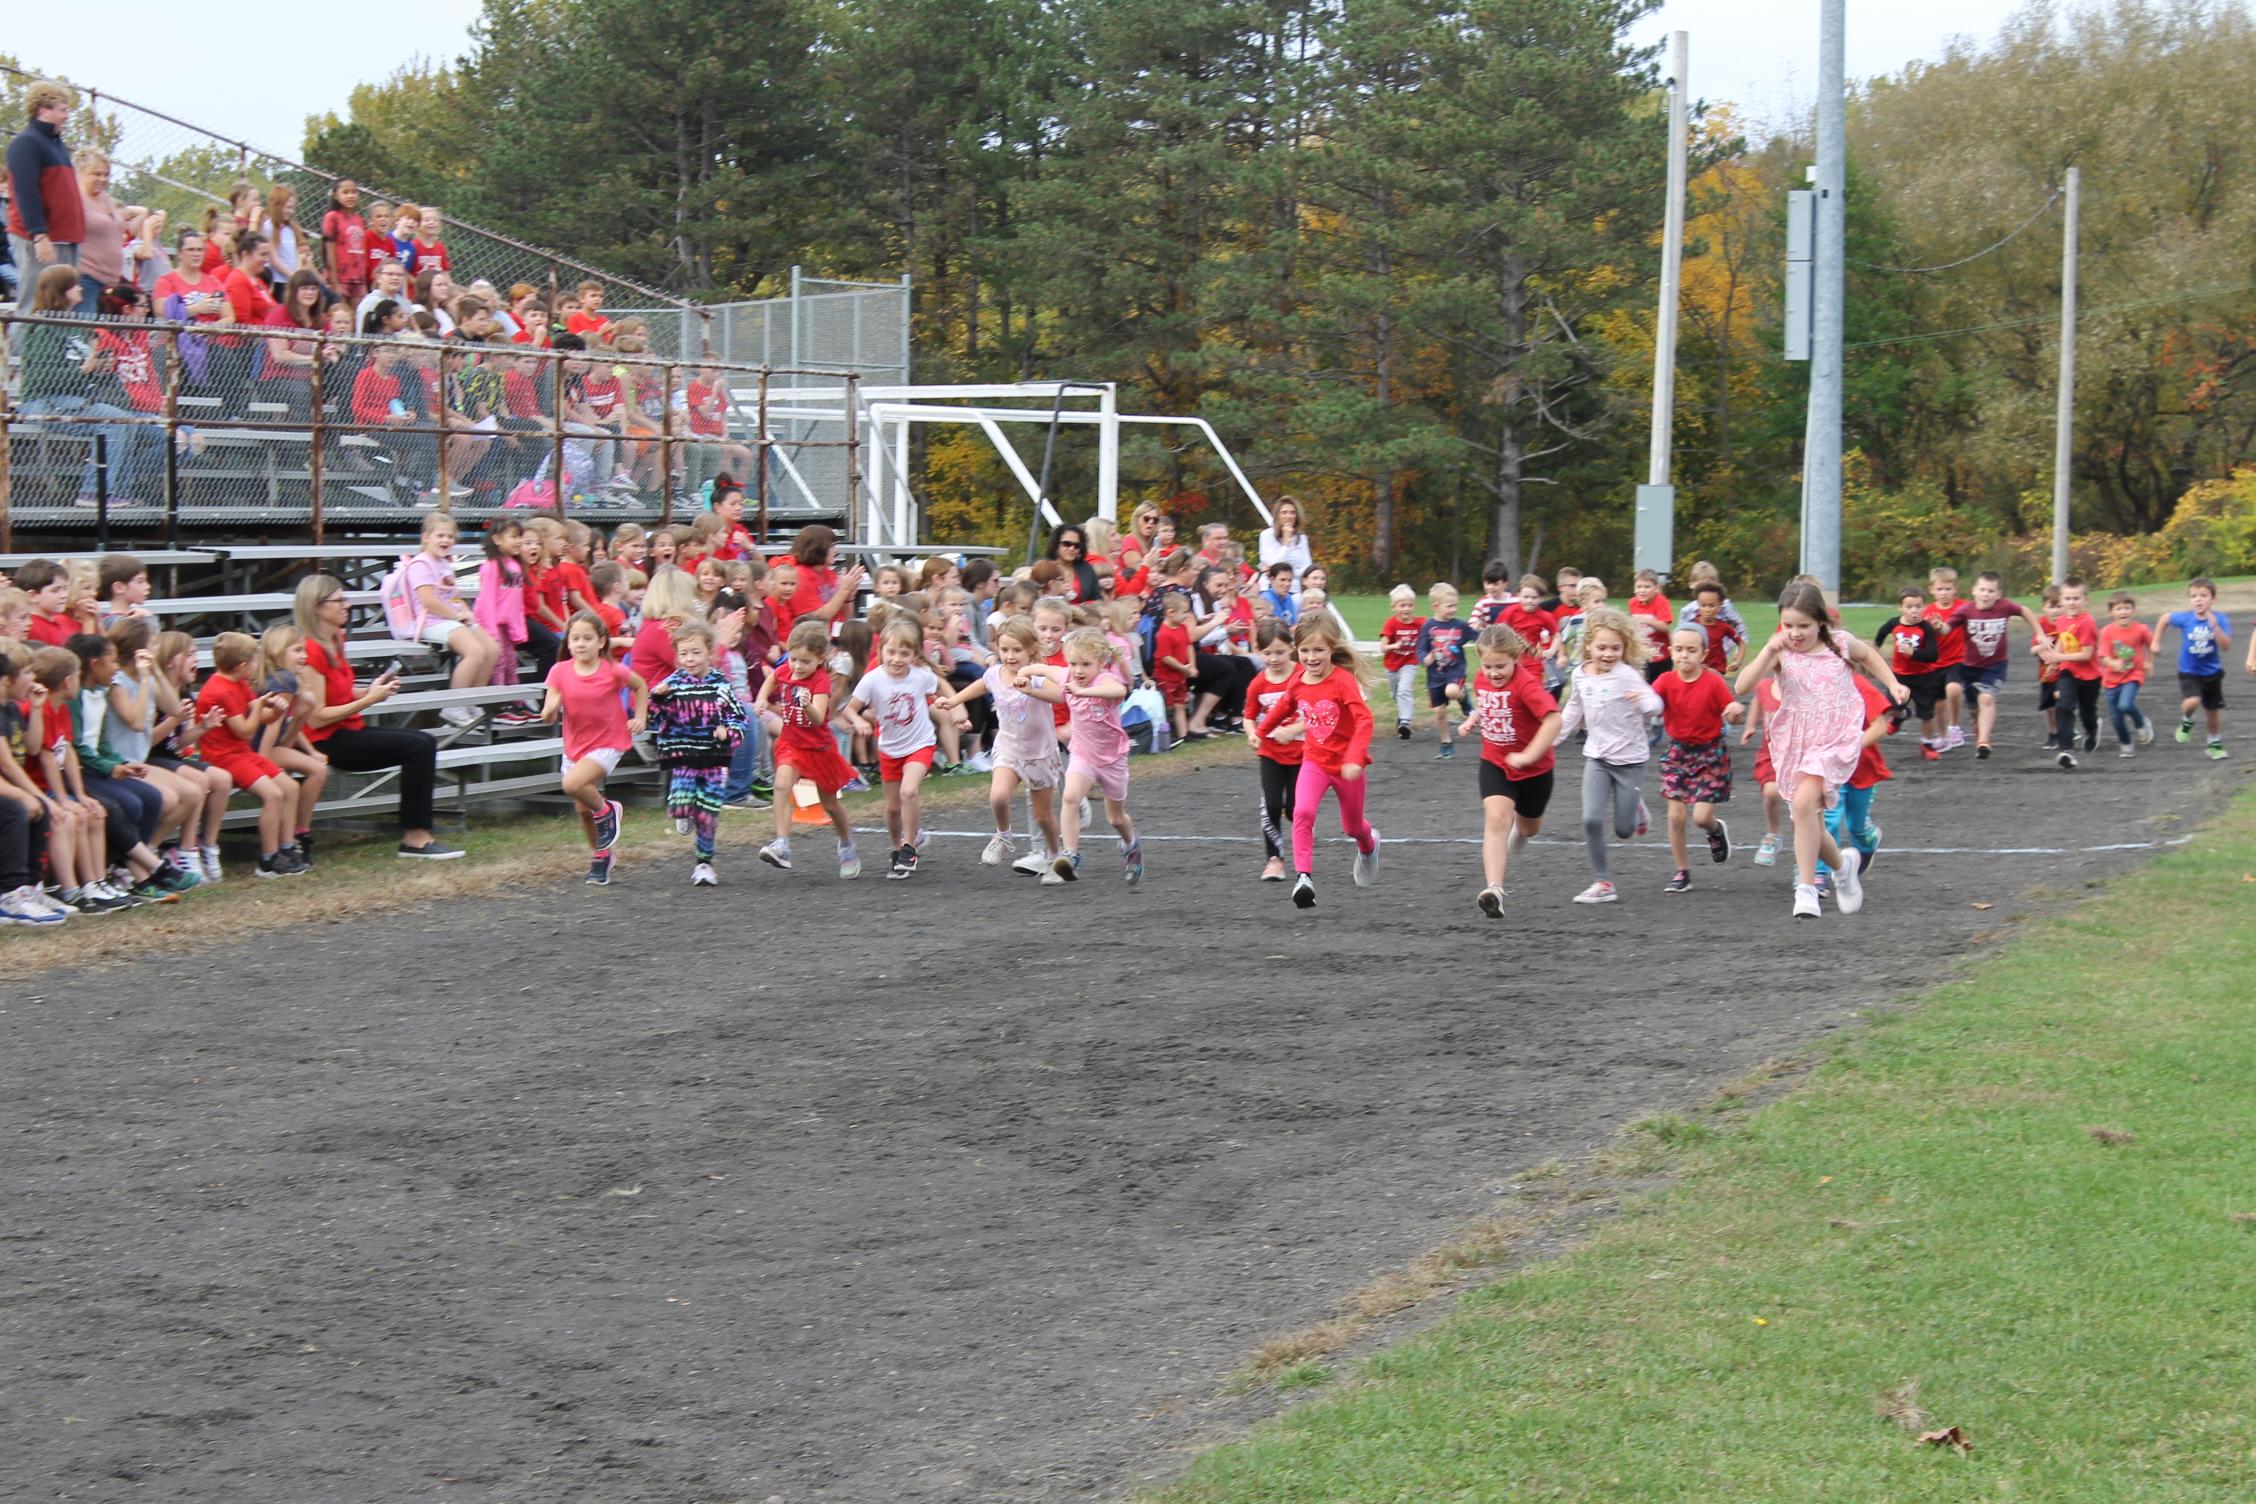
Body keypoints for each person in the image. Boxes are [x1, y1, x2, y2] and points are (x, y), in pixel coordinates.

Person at [1735, 581, 1909, 919]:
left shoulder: (1840, 644)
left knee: (1802, 806)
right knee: (1809, 818)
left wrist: (1892, 683)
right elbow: (1741, 686)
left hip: (1834, 740)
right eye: (1788, 626)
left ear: (1821, 623)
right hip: (1794, 743)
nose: (1795, 633)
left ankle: (1806, 889)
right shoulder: (1781, 653)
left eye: (1804, 626)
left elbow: (1869, 655)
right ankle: (1843, 867)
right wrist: (1769, 651)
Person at [293, 575, 462, 859]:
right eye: (339, 601)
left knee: (422, 742)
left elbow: (339, 692)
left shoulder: (334, 639)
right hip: (324, 740)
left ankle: (417, 836)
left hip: (344, 731)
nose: (346, 606)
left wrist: (369, 690)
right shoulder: (311, 649)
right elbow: (317, 718)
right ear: (317, 607)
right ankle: (416, 838)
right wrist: (371, 699)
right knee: (419, 745)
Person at [15, 266, 163, 508]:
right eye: (74, 285)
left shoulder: (74, 324)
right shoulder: (41, 326)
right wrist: (87, 367)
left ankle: (117, 492)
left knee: (126, 420)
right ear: (61, 291)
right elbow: (44, 378)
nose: (81, 288)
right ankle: (92, 492)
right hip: (44, 402)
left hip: (74, 400)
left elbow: (85, 368)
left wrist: (101, 366)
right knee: (115, 421)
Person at [1254, 615, 1376, 909]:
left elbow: (1364, 720)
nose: (1311, 657)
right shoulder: (1298, 680)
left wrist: (1353, 758)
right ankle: (1303, 878)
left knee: (1353, 827)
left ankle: (1369, 845)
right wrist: (1262, 731)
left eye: (1319, 650)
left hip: (1346, 768)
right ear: (1297, 651)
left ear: (1332, 649)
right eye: (1305, 651)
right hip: (1315, 761)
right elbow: (1284, 706)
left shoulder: (1343, 682)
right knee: (1302, 811)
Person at [937, 616, 1064, 878]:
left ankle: (1056, 858)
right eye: (1004, 649)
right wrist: (953, 702)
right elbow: (981, 685)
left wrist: (1031, 689)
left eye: (1016, 650)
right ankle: (1004, 836)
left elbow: (1059, 695)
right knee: (998, 796)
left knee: (1043, 817)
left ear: (1030, 649)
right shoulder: (995, 673)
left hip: (1039, 754)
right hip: (1009, 749)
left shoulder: (1037, 674)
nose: (1009, 656)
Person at [1019, 627, 1143, 885]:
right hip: (1083, 753)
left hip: (1112, 759)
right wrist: (1026, 681)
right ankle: (1070, 854)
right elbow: (1044, 675)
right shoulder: (1068, 676)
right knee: (1070, 796)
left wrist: (1084, 691)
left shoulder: (1104, 681)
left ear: (1101, 663)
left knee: (1115, 818)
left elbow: (1118, 690)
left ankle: (1131, 844)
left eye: (1086, 664)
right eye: (1073, 663)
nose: (1078, 670)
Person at [1555, 608, 1663, 906]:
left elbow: (1656, 704)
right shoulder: (1579, 675)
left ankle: (1637, 809)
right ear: (1588, 645)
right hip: (1597, 759)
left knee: (1624, 830)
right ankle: (1603, 882)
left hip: (1630, 762)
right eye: (1602, 647)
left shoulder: (1627, 676)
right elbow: (1572, 712)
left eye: (1615, 648)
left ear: (1624, 648)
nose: (1608, 654)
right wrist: (1551, 740)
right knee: (1590, 819)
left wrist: (1644, 702)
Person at [1455, 622, 1561, 918]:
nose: (1493, 673)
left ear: (1515, 658)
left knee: (1529, 828)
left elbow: (1554, 720)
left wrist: (1529, 755)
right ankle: (1494, 890)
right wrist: (1471, 720)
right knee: (1495, 819)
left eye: (1500, 666)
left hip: (1535, 769)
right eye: (1487, 666)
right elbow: (1486, 705)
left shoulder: (1527, 685)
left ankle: (1521, 830)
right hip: (1495, 763)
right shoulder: (1481, 678)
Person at [539, 610, 649, 886]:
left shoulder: (612, 669)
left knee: (572, 784)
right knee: (582, 810)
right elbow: (548, 714)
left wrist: (640, 716)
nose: (580, 643)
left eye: (587, 638)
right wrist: (550, 710)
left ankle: (608, 809)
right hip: (575, 745)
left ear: (601, 642)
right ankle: (601, 855)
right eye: (574, 638)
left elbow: (640, 686)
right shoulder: (559, 671)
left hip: (609, 741)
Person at [193, 632, 305, 878]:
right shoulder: (219, 690)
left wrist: (275, 711)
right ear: (243, 665)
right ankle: (268, 858)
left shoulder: (240, 684)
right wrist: (259, 709)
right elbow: (245, 730)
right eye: (254, 661)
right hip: (223, 756)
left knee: (290, 787)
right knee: (273, 795)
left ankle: (287, 847)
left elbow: (262, 717)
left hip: (241, 753)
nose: (257, 667)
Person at [756, 619, 862, 878]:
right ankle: (782, 844)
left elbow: (819, 717)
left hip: (818, 748)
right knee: (781, 785)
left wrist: (807, 706)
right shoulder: (785, 671)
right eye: (793, 659)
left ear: (820, 659)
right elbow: (772, 679)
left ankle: (846, 843)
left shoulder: (820, 681)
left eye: (805, 661)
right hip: (792, 743)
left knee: (830, 805)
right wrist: (760, 699)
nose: (798, 666)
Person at [648, 620, 747, 887]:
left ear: (709, 652)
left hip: (713, 758)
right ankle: (683, 813)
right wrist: (658, 699)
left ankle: (704, 864)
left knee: (707, 813)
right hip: (683, 756)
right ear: (676, 655)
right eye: (684, 653)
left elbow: (738, 717)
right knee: (681, 805)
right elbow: (654, 715)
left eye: (695, 652)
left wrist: (727, 730)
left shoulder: (720, 685)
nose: (690, 659)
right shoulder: (672, 684)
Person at [846, 620, 944, 879]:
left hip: (920, 744)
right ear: (881, 652)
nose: (897, 659)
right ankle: (897, 849)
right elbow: (849, 708)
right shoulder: (873, 679)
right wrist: (857, 721)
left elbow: (942, 685)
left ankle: (909, 847)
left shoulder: (921, 676)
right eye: (891, 652)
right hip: (890, 748)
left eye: (904, 653)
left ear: (914, 655)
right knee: (891, 808)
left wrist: (956, 709)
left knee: (908, 791)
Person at [1652, 625, 1744, 894]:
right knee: (1675, 816)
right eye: (1679, 650)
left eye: (1691, 650)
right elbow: (1650, 701)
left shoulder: (1713, 681)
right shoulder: (1666, 681)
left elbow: (1730, 710)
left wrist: (1734, 712)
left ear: (1703, 654)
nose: (1684, 656)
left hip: (1709, 754)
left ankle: (1715, 830)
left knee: (1701, 818)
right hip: (1678, 752)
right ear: (1670, 652)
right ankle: (1682, 872)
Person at [390, 512, 500, 712]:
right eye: (440, 536)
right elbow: (428, 600)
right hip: (431, 621)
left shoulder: (444, 563)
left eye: (450, 537)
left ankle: (472, 700)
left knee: (492, 649)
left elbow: (453, 596)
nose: (446, 540)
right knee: (475, 651)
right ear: (426, 537)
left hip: (451, 618)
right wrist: (456, 616)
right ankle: (454, 706)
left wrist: (467, 614)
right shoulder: (421, 563)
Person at [1243, 619, 1304, 883]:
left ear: (1291, 648)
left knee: (1295, 809)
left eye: (1279, 652)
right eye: (1267, 653)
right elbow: (1249, 715)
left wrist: (1293, 730)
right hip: (1270, 754)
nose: (1274, 658)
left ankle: (1300, 844)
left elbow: (1316, 714)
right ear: (1259, 652)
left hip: (1303, 754)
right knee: (1270, 805)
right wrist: (1252, 734)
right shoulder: (1258, 683)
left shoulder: (1302, 676)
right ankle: (1274, 860)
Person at [8, 82, 82, 296]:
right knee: (36, 301)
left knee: (62, 305)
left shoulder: (57, 145)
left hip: (64, 237)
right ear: (43, 110)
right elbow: (25, 192)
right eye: (63, 110)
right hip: (41, 238)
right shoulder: (26, 143)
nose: (67, 116)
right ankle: (23, 332)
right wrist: (39, 235)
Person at [2154, 577, 2232, 758]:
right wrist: (2156, 641)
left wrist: (2215, 627)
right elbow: (2164, 618)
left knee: (2212, 712)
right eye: (2194, 596)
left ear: (2213, 600)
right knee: (2193, 700)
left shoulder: (2220, 619)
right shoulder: (2185, 618)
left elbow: (2226, 646)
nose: (2198, 599)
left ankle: (2214, 744)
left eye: (2203, 595)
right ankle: (2187, 720)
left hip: (2212, 673)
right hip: (2189, 671)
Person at [1883, 586, 1947, 760]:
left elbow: (1933, 655)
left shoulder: (1926, 628)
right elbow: (1880, 636)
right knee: (1892, 706)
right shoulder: (1893, 623)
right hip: (1900, 676)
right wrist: (1874, 651)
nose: (1914, 611)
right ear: (1900, 607)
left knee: (1926, 714)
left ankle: (1926, 745)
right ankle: (1901, 715)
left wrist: (1913, 653)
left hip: (1924, 678)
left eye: (1918, 606)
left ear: (1924, 607)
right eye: (1909, 606)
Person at [2042, 577, 2103, 760]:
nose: (2072, 603)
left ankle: (2093, 730)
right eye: (2068, 599)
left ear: (2086, 600)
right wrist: (2054, 663)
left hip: (2090, 676)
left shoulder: (2086, 623)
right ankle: (2065, 749)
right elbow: (2062, 639)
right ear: (2061, 600)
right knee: (2064, 704)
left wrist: (2057, 657)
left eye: (2076, 598)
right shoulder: (2061, 620)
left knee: (2087, 712)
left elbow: (2086, 654)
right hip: (2068, 671)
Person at [73, 151, 133, 312]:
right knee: (85, 331)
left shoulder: (105, 198)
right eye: (96, 174)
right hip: (86, 279)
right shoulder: (75, 198)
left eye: (106, 175)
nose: (103, 179)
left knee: (104, 335)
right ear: (81, 172)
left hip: (111, 282)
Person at [1414, 582, 1470, 757]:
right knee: (1439, 712)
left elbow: (1479, 636)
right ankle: (1446, 743)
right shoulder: (1428, 626)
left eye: (1455, 605)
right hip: (1435, 675)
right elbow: (1420, 649)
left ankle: (1463, 697)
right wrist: (1425, 658)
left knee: (1452, 691)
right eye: (1450, 606)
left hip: (1455, 670)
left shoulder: (1460, 626)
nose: (1454, 609)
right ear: (1435, 606)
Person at [2097, 591, 2155, 757]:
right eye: (2119, 609)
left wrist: (2149, 662)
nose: (2123, 612)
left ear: (2133, 610)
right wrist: (2113, 663)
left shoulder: (2140, 629)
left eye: (2127, 608)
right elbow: (2104, 656)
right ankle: (2126, 743)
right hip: (2111, 680)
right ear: (2111, 612)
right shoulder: (2107, 632)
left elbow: (2153, 645)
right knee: (2116, 718)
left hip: (2133, 675)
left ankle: (2141, 723)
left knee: (2125, 704)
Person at [1378, 584, 1424, 739]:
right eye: (1402, 605)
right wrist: (1394, 645)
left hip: (1409, 663)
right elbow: (1383, 647)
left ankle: (1405, 722)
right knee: (1396, 694)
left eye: (1410, 605)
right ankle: (1402, 715)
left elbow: (1434, 626)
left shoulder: (1420, 623)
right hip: (1392, 665)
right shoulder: (1391, 624)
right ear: (1394, 607)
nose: (1406, 609)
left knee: (1404, 690)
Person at [321, 180, 370, 304]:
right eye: (345, 192)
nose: (350, 196)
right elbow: (330, 249)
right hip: (340, 278)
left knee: (357, 317)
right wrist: (334, 281)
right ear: (336, 195)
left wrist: (363, 278)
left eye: (354, 192)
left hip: (358, 279)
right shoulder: (332, 217)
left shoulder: (360, 220)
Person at [1256, 496, 1313, 583]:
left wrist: (1289, 574)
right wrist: (1286, 544)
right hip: (1271, 586)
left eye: (1292, 513)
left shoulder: (1301, 538)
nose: (1288, 516)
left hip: (1296, 588)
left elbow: (1307, 568)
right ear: (1277, 515)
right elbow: (1273, 566)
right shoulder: (1266, 535)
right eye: (1284, 512)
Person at [1048, 524, 1103, 603]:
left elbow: (1097, 598)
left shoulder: (1086, 569)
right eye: (1067, 544)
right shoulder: (1044, 568)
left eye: (1077, 546)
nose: (1071, 549)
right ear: (1056, 544)